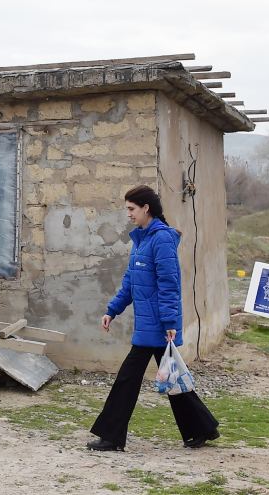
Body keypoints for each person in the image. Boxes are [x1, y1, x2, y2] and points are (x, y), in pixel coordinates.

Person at [86, 185, 220, 452]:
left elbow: (169, 284)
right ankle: (202, 429)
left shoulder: (161, 240)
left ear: (146, 208)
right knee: (172, 378)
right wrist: (112, 310)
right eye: (127, 209)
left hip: (158, 327)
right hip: (149, 326)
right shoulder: (141, 240)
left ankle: (112, 437)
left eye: (131, 209)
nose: (128, 214)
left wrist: (170, 324)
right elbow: (130, 283)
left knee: (127, 380)